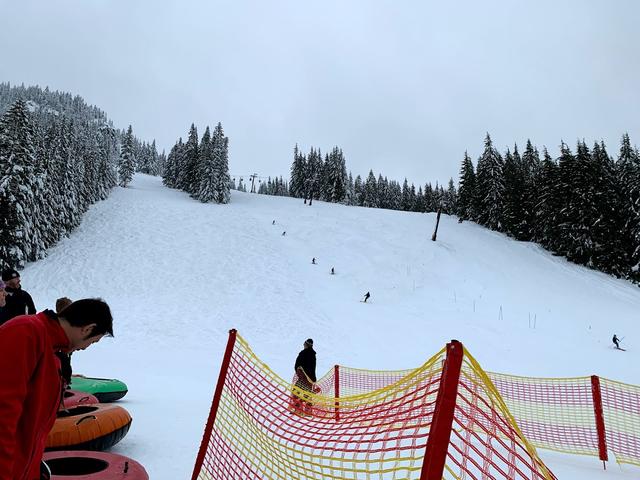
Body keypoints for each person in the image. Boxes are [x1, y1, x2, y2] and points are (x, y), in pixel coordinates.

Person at [0, 298, 113, 480]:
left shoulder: (53, 351)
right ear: (87, 329)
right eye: (92, 342)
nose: (85, 348)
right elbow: (3, 412)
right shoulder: (25, 332)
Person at [293, 339, 316, 414]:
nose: (303, 345)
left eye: (304, 344)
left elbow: (297, 365)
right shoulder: (313, 355)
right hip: (311, 379)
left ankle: (298, 409)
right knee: (308, 395)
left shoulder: (303, 353)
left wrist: (298, 371)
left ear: (306, 345)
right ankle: (308, 411)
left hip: (303, 377)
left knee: (296, 392)